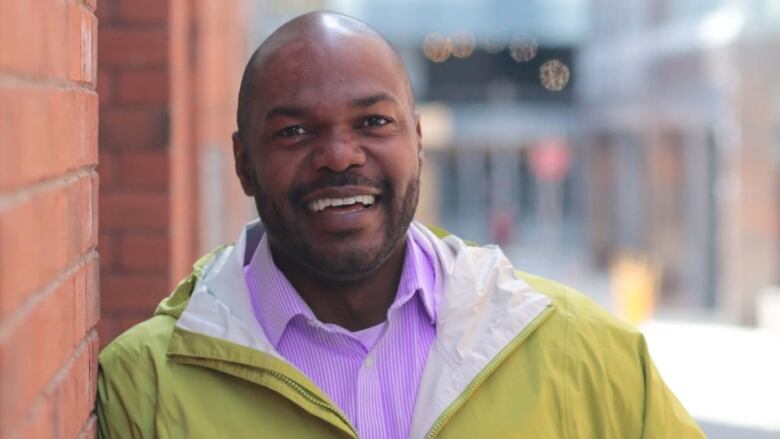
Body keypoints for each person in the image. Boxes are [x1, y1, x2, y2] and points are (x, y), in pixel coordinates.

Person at [96, 11, 704, 439]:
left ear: (418, 138)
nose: (339, 155)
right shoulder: (144, 387)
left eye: (373, 123)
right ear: (243, 163)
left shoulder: (588, 355)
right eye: (294, 131)